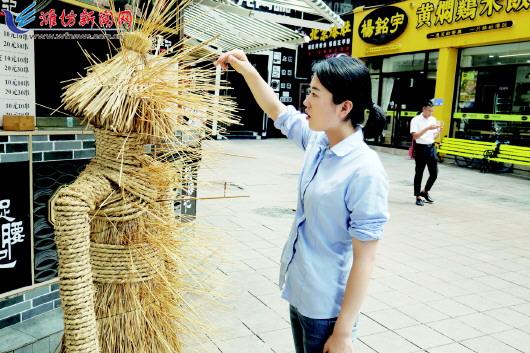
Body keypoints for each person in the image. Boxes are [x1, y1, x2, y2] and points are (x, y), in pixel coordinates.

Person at [215, 50, 389, 353]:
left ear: (344, 107)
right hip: (300, 291)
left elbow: (366, 258)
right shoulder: (319, 142)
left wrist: (343, 333)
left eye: (314, 93)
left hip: (327, 310)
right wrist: (247, 70)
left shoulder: (365, 170)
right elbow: (277, 111)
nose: (306, 101)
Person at [410, 101, 442, 206]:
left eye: (432, 111)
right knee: (419, 173)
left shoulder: (433, 119)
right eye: (429, 110)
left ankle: (425, 191)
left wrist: (438, 131)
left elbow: (433, 136)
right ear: (423, 109)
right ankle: (418, 196)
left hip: (431, 147)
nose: (431, 113)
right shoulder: (415, 120)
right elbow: (415, 136)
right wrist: (428, 128)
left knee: (434, 173)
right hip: (420, 148)